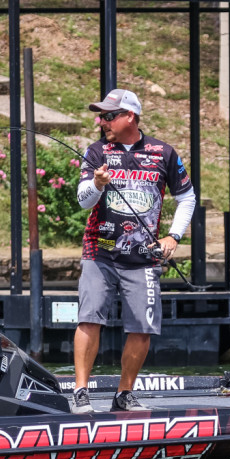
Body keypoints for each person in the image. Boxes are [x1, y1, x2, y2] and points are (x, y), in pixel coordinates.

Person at [72, 88, 197, 412]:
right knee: (89, 318)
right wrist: (97, 185)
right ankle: (81, 393)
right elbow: (82, 199)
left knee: (142, 326)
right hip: (99, 250)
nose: (103, 121)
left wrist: (173, 237)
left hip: (144, 257)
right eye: (101, 116)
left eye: (109, 115)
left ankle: (124, 394)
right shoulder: (97, 151)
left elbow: (187, 198)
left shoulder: (163, 152)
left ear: (130, 116)